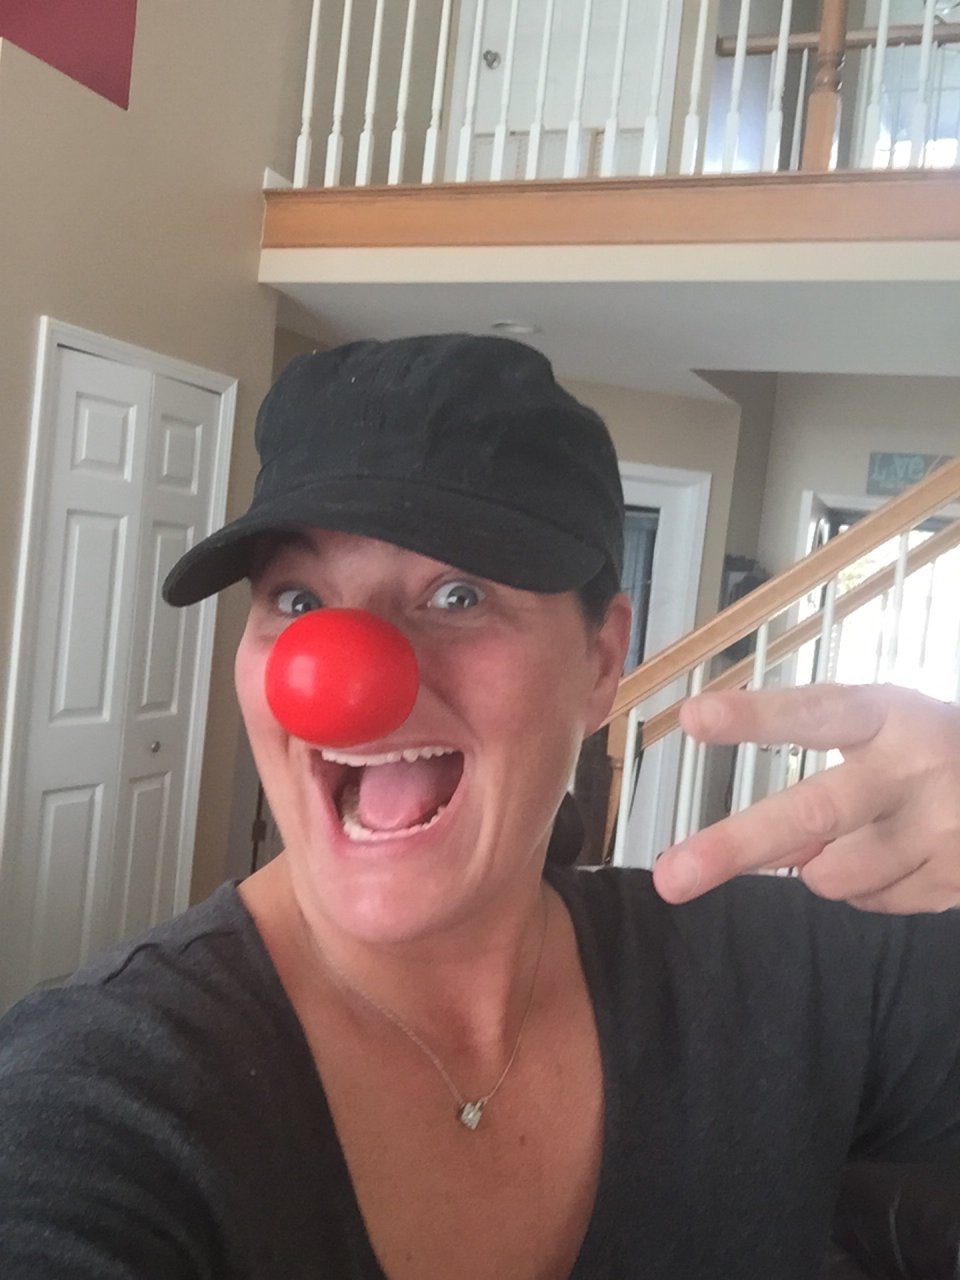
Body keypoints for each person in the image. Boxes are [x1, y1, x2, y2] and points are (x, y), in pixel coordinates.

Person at [0, 334, 958, 1280]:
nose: (347, 678)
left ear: (600, 662)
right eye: (297, 602)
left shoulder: (783, 977)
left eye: (456, 595)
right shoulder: (102, 1088)